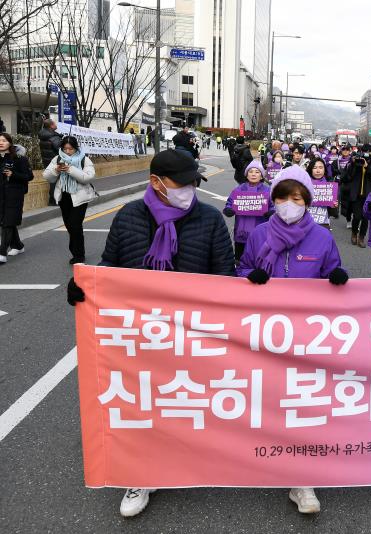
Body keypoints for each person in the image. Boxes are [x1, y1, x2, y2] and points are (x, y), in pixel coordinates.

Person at [66, 150, 234, 517]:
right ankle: (140, 474)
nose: (189, 189)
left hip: (193, 334)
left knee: (186, 399)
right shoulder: (128, 217)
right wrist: (86, 287)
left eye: (194, 182)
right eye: (182, 183)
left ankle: (190, 459)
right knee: (141, 403)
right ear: (156, 182)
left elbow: (226, 276)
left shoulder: (209, 219)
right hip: (140, 335)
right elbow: (110, 266)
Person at [236, 165, 347, 516]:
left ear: (307, 202)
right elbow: (240, 271)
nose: (288, 204)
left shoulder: (322, 237)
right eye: (282, 197)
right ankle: (258, 457)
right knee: (266, 399)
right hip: (264, 332)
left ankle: (302, 480)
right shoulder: (259, 234)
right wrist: (247, 277)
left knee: (303, 403)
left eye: (296, 198)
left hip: (307, 337)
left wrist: (338, 277)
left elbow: (332, 271)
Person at [43, 136, 97, 264]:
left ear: (76, 148)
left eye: (70, 149)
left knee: (75, 225)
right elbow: (47, 176)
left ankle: (79, 256)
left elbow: (88, 177)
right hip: (64, 197)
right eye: (65, 148)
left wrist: (71, 170)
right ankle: (75, 252)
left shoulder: (84, 159)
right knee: (69, 226)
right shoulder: (57, 159)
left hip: (80, 196)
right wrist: (56, 170)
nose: (67, 151)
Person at [223, 160, 272, 261]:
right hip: (241, 233)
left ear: (262, 176)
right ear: (246, 174)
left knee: (258, 260)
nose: (253, 174)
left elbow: (274, 206)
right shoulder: (238, 190)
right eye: (251, 171)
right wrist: (228, 209)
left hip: (260, 234)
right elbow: (229, 203)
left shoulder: (267, 191)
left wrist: (271, 212)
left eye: (257, 172)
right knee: (239, 261)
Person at [0, 133, 34, 264]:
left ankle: (2, 253)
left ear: (10, 143)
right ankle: (18, 245)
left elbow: (29, 176)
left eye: (4, 140)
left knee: (7, 222)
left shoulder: (19, 158)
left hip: (14, 195)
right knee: (7, 221)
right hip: (1, 195)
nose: (1, 143)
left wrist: (13, 174)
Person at [341, 143, 371, 247]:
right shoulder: (354, 161)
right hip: (356, 194)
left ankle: (361, 238)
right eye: (364, 151)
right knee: (357, 216)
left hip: (369, 195)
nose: (366, 153)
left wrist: (367, 167)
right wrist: (353, 164)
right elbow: (346, 177)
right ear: (360, 151)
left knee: (366, 218)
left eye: (368, 151)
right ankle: (354, 233)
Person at [306, 157, 338, 229]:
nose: (318, 170)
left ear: (324, 169)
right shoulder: (305, 184)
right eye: (315, 168)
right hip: (306, 223)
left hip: (324, 223)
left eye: (320, 167)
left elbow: (334, 213)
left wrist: (334, 206)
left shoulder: (330, 186)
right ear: (310, 169)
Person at [38, 118, 62, 206]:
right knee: (56, 181)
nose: (56, 125)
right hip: (55, 161)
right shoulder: (53, 137)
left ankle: (53, 200)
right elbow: (60, 149)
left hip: (47, 161)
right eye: (55, 124)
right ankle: (54, 200)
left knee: (52, 180)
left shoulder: (43, 135)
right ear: (51, 126)